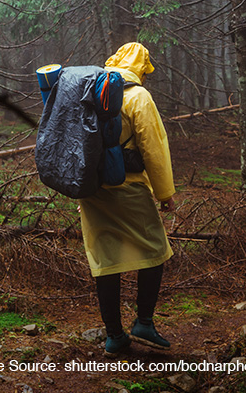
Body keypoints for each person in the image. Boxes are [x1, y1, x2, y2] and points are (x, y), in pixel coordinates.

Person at [79, 42, 176, 357]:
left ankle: (114, 336)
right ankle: (144, 322)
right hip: (129, 188)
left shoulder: (90, 91)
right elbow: (154, 148)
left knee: (106, 261)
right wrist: (165, 194)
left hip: (92, 191)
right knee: (155, 250)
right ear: (141, 68)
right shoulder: (138, 97)